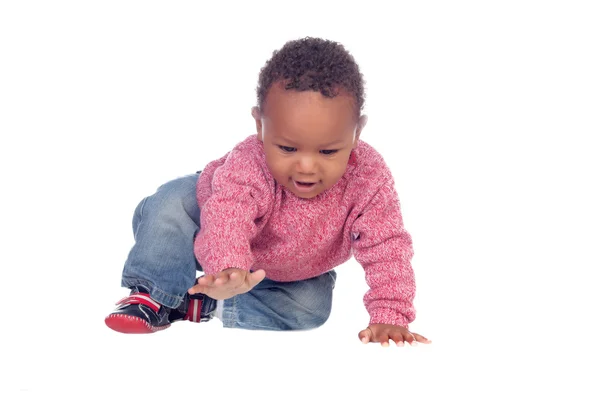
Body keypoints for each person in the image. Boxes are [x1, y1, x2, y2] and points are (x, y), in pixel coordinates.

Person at [105, 37, 431, 347]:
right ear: (260, 126)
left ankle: (200, 307)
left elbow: (387, 246)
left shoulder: (368, 179)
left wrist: (391, 315)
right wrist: (227, 266)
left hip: (281, 269)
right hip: (210, 229)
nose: (306, 166)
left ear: (357, 132)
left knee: (311, 309)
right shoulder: (250, 163)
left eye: (328, 152)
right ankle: (153, 294)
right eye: (288, 147)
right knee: (171, 203)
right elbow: (227, 213)